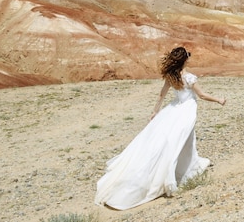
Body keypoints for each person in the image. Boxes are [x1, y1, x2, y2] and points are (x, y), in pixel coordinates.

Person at [95, 46, 226, 210]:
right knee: (184, 140)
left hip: (173, 109)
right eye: (188, 56)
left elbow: (161, 95)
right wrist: (219, 99)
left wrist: (155, 112)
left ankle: (185, 166)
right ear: (185, 59)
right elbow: (202, 95)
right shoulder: (189, 77)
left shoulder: (171, 76)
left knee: (175, 141)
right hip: (185, 112)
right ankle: (182, 171)